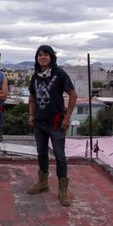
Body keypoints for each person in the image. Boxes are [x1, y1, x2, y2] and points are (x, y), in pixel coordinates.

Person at [27, 45, 77, 206]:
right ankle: (43, 183)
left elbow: (73, 95)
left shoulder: (59, 74)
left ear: (51, 57)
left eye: (46, 55)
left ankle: (63, 191)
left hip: (56, 123)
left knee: (60, 156)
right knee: (41, 153)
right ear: (37, 58)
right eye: (40, 55)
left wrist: (67, 118)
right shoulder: (35, 76)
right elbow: (32, 98)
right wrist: (31, 115)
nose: (42, 57)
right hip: (39, 123)